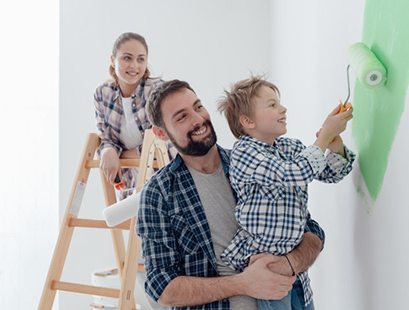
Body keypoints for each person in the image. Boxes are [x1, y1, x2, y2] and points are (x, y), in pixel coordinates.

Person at [136, 79, 326, 310]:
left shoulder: (253, 163)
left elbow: (312, 232)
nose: (198, 119)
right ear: (161, 133)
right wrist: (243, 284)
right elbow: (161, 287)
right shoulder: (159, 193)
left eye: (198, 107)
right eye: (181, 116)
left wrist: (289, 263)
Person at [216, 76, 356, 310]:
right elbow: (295, 172)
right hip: (267, 267)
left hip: (295, 265)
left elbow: (331, 173)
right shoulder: (244, 153)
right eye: (272, 105)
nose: (283, 109)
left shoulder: (289, 147)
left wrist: (332, 143)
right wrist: (321, 139)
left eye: (279, 103)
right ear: (248, 121)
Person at [93, 32, 175, 199]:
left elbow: (163, 140)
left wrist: (118, 154)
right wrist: (108, 149)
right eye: (127, 58)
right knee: (123, 220)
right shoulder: (102, 93)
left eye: (141, 59)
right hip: (129, 181)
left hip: (166, 177)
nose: (134, 66)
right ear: (112, 60)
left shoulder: (157, 90)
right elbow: (105, 138)